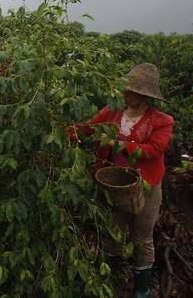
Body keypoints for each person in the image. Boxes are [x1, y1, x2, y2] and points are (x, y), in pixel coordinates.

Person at [68, 63, 174, 298]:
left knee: (142, 237)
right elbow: (90, 129)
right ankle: (109, 280)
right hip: (113, 184)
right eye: (125, 89)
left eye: (132, 91)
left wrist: (119, 144)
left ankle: (141, 289)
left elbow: (155, 149)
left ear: (144, 95)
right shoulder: (113, 111)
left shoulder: (161, 120)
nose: (125, 94)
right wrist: (68, 131)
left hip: (144, 186)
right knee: (113, 232)